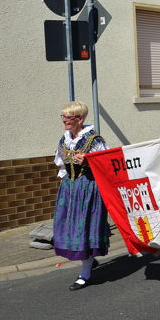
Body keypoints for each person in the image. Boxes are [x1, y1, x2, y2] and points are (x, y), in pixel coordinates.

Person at [52, 101, 109, 291]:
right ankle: (89, 261)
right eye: (63, 116)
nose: (64, 121)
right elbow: (61, 164)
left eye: (68, 117)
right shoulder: (65, 139)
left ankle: (85, 273)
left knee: (83, 227)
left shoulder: (94, 140)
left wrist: (90, 160)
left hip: (87, 188)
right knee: (69, 226)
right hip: (70, 188)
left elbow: (106, 165)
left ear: (80, 119)